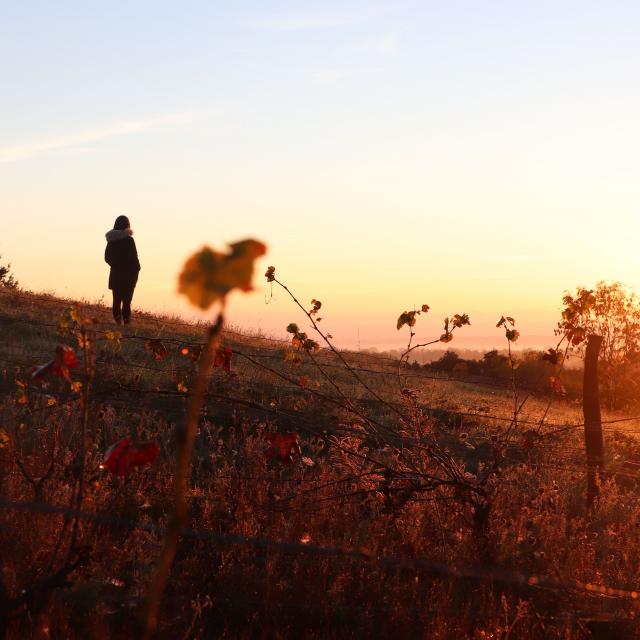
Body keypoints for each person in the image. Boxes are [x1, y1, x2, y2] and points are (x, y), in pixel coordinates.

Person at [105, 215, 141, 325]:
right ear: (127, 225)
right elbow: (134, 258)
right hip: (129, 276)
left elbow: (107, 258)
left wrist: (116, 266)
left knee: (116, 301)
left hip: (116, 274)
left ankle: (118, 324)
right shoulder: (129, 240)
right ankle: (126, 324)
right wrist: (136, 269)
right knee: (127, 302)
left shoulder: (111, 241)